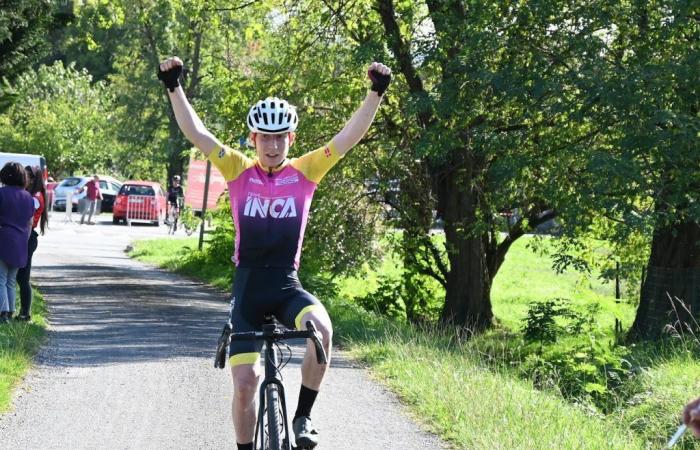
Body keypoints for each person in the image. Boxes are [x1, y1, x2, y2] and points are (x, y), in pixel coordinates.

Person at [158, 56, 391, 450]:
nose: (272, 144)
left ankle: (302, 418)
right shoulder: (236, 169)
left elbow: (347, 138)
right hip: (247, 287)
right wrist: (173, 86)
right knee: (246, 384)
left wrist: (375, 93)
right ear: (253, 140)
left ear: (291, 140)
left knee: (323, 330)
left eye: (280, 137)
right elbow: (196, 133)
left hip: (286, 284)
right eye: (265, 137)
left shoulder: (306, 172)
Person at [0, 162, 35, 323]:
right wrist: (24, 240)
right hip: (21, 241)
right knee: (11, 280)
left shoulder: (2, 193)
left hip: (3, 237)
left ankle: (3, 312)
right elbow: (29, 222)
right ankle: (10, 311)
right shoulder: (28, 197)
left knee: (0, 278)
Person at [15, 165, 48, 321]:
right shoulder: (35, 194)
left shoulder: (34, 197)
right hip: (27, 237)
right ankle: (22, 311)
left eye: (27, 177)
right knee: (20, 278)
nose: (24, 179)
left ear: (33, 179)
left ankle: (25, 313)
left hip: (27, 237)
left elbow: (27, 220)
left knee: (23, 278)